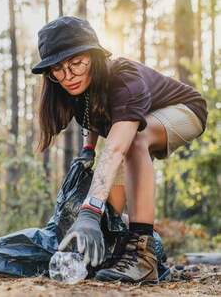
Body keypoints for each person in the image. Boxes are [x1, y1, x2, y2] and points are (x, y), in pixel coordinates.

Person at [32, 17, 207, 283]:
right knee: (110, 209)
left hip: (186, 110)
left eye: (76, 63)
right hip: (139, 124)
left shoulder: (124, 80)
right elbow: (96, 118)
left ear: (94, 56)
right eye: (57, 69)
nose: (67, 77)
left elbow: (114, 147)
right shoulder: (79, 89)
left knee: (135, 141)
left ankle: (143, 255)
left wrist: (89, 211)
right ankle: (119, 248)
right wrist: (88, 149)